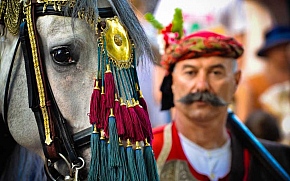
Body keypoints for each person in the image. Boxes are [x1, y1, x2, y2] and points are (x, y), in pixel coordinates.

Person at [151, 31, 290, 180]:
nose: (202, 85)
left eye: (216, 73)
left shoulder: (274, 160)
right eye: (190, 72)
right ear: (172, 81)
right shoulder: (145, 153)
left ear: (236, 81)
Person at [235, 26, 290, 122]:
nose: (283, 53)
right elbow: (244, 121)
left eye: (286, 48)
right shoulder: (252, 84)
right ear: (269, 51)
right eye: (278, 48)